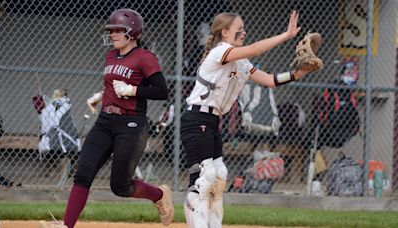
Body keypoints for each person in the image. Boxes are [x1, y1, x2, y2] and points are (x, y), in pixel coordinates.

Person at [181, 11, 317, 228]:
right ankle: (194, 212)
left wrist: (299, 74)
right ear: (225, 33)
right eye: (239, 29)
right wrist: (287, 35)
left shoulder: (241, 62)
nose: (244, 32)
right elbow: (255, 49)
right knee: (205, 179)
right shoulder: (221, 51)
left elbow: (270, 80)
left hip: (212, 121)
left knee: (220, 177)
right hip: (196, 118)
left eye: (244, 29)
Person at [39, 9, 173, 228]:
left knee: (120, 186)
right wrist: (101, 96)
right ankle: (66, 225)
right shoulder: (111, 55)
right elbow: (113, 84)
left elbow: (161, 91)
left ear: (133, 32)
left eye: (118, 30)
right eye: (111, 30)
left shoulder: (145, 57)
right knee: (83, 172)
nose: (112, 34)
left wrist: (132, 90)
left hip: (131, 125)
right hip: (104, 122)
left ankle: (159, 194)